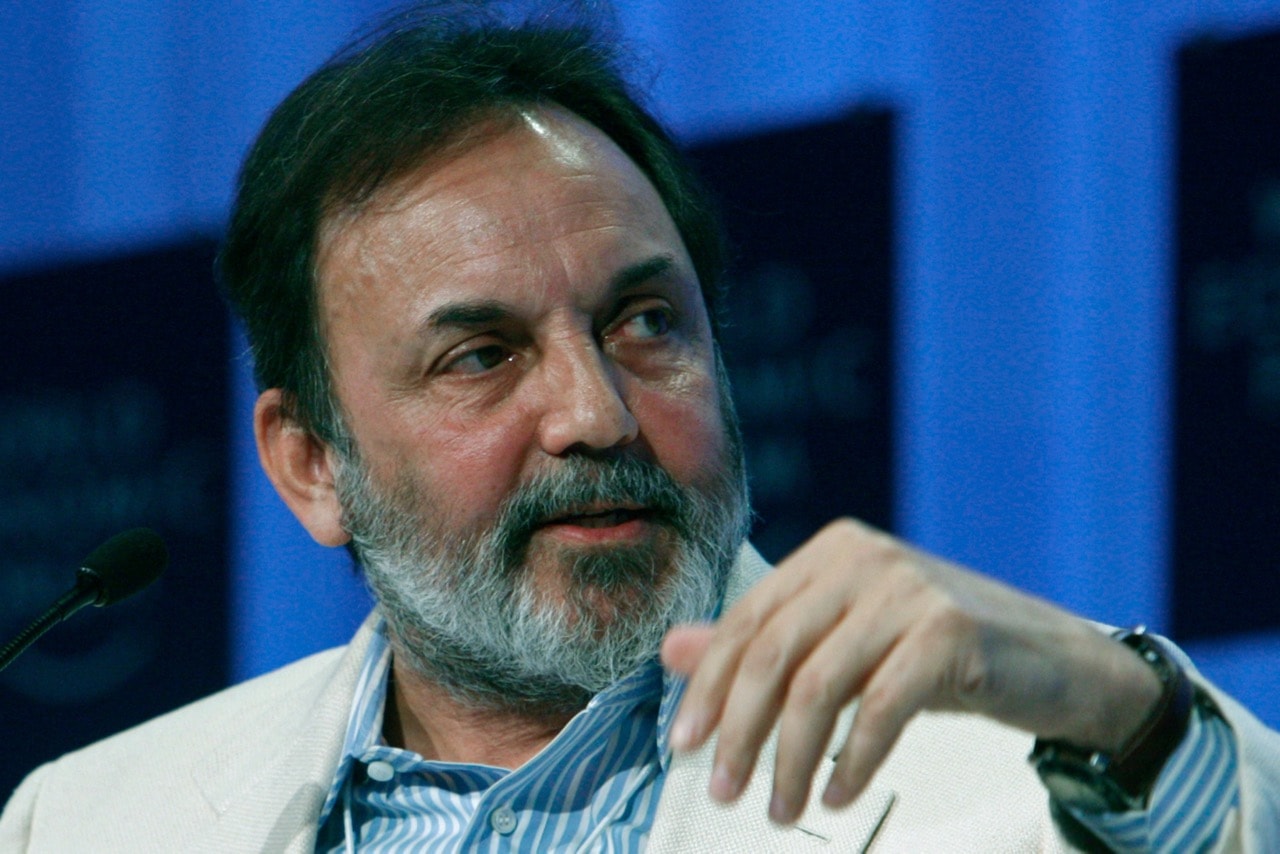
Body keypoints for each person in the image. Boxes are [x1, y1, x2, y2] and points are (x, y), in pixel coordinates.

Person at [3, 5, 1279, 851]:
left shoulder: (1026, 778)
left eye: (644, 323)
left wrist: (1126, 710)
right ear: (310, 462)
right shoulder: (88, 819)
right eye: (483, 354)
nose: (595, 412)